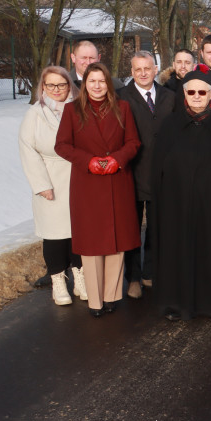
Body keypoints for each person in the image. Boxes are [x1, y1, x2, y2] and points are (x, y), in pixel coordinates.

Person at [151, 66, 211, 321]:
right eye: (191, 92)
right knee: (179, 252)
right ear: (184, 95)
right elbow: (159, 169)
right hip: (177, 207)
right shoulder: (170, 126)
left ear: (210, 95)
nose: (196, 96)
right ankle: (177, 302)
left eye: (202, 92)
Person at [54, 63, 141, 316]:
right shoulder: (72, 110)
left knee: (117, 241)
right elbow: (62, 145)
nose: (97, 86)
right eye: (92, 81)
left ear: (108, 83)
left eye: (102, 81)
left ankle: (112, 295)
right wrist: (88, 161)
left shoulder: (123, 108)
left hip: (117, 179)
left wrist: (117, 159)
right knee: (92, 244)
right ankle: (95, 300)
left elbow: (134, 141)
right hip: (87, 183)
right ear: (84, 84)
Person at [18, 66, 82, 305]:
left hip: (77, 177)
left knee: (79, 232)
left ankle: (80, 274)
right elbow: (27, 150)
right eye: (50, 85)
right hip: (50, 178)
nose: (56, 90)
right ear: (43, 87)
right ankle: (58, 280)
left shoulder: (79, 109)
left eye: (61, 85)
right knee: (55, 235)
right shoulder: (35, 114)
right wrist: (41, 184)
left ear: (69, 86)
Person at [118, 51, 175, 298]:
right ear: (131, 72)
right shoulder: (121, 98)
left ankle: (150, 273)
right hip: (130, 174)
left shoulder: (170, 97)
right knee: (131, 230)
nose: (143, 73)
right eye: (137, 69)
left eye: (147, 68)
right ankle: (133, 277)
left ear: (155, 70)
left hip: (161, 175)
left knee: (156, 228)